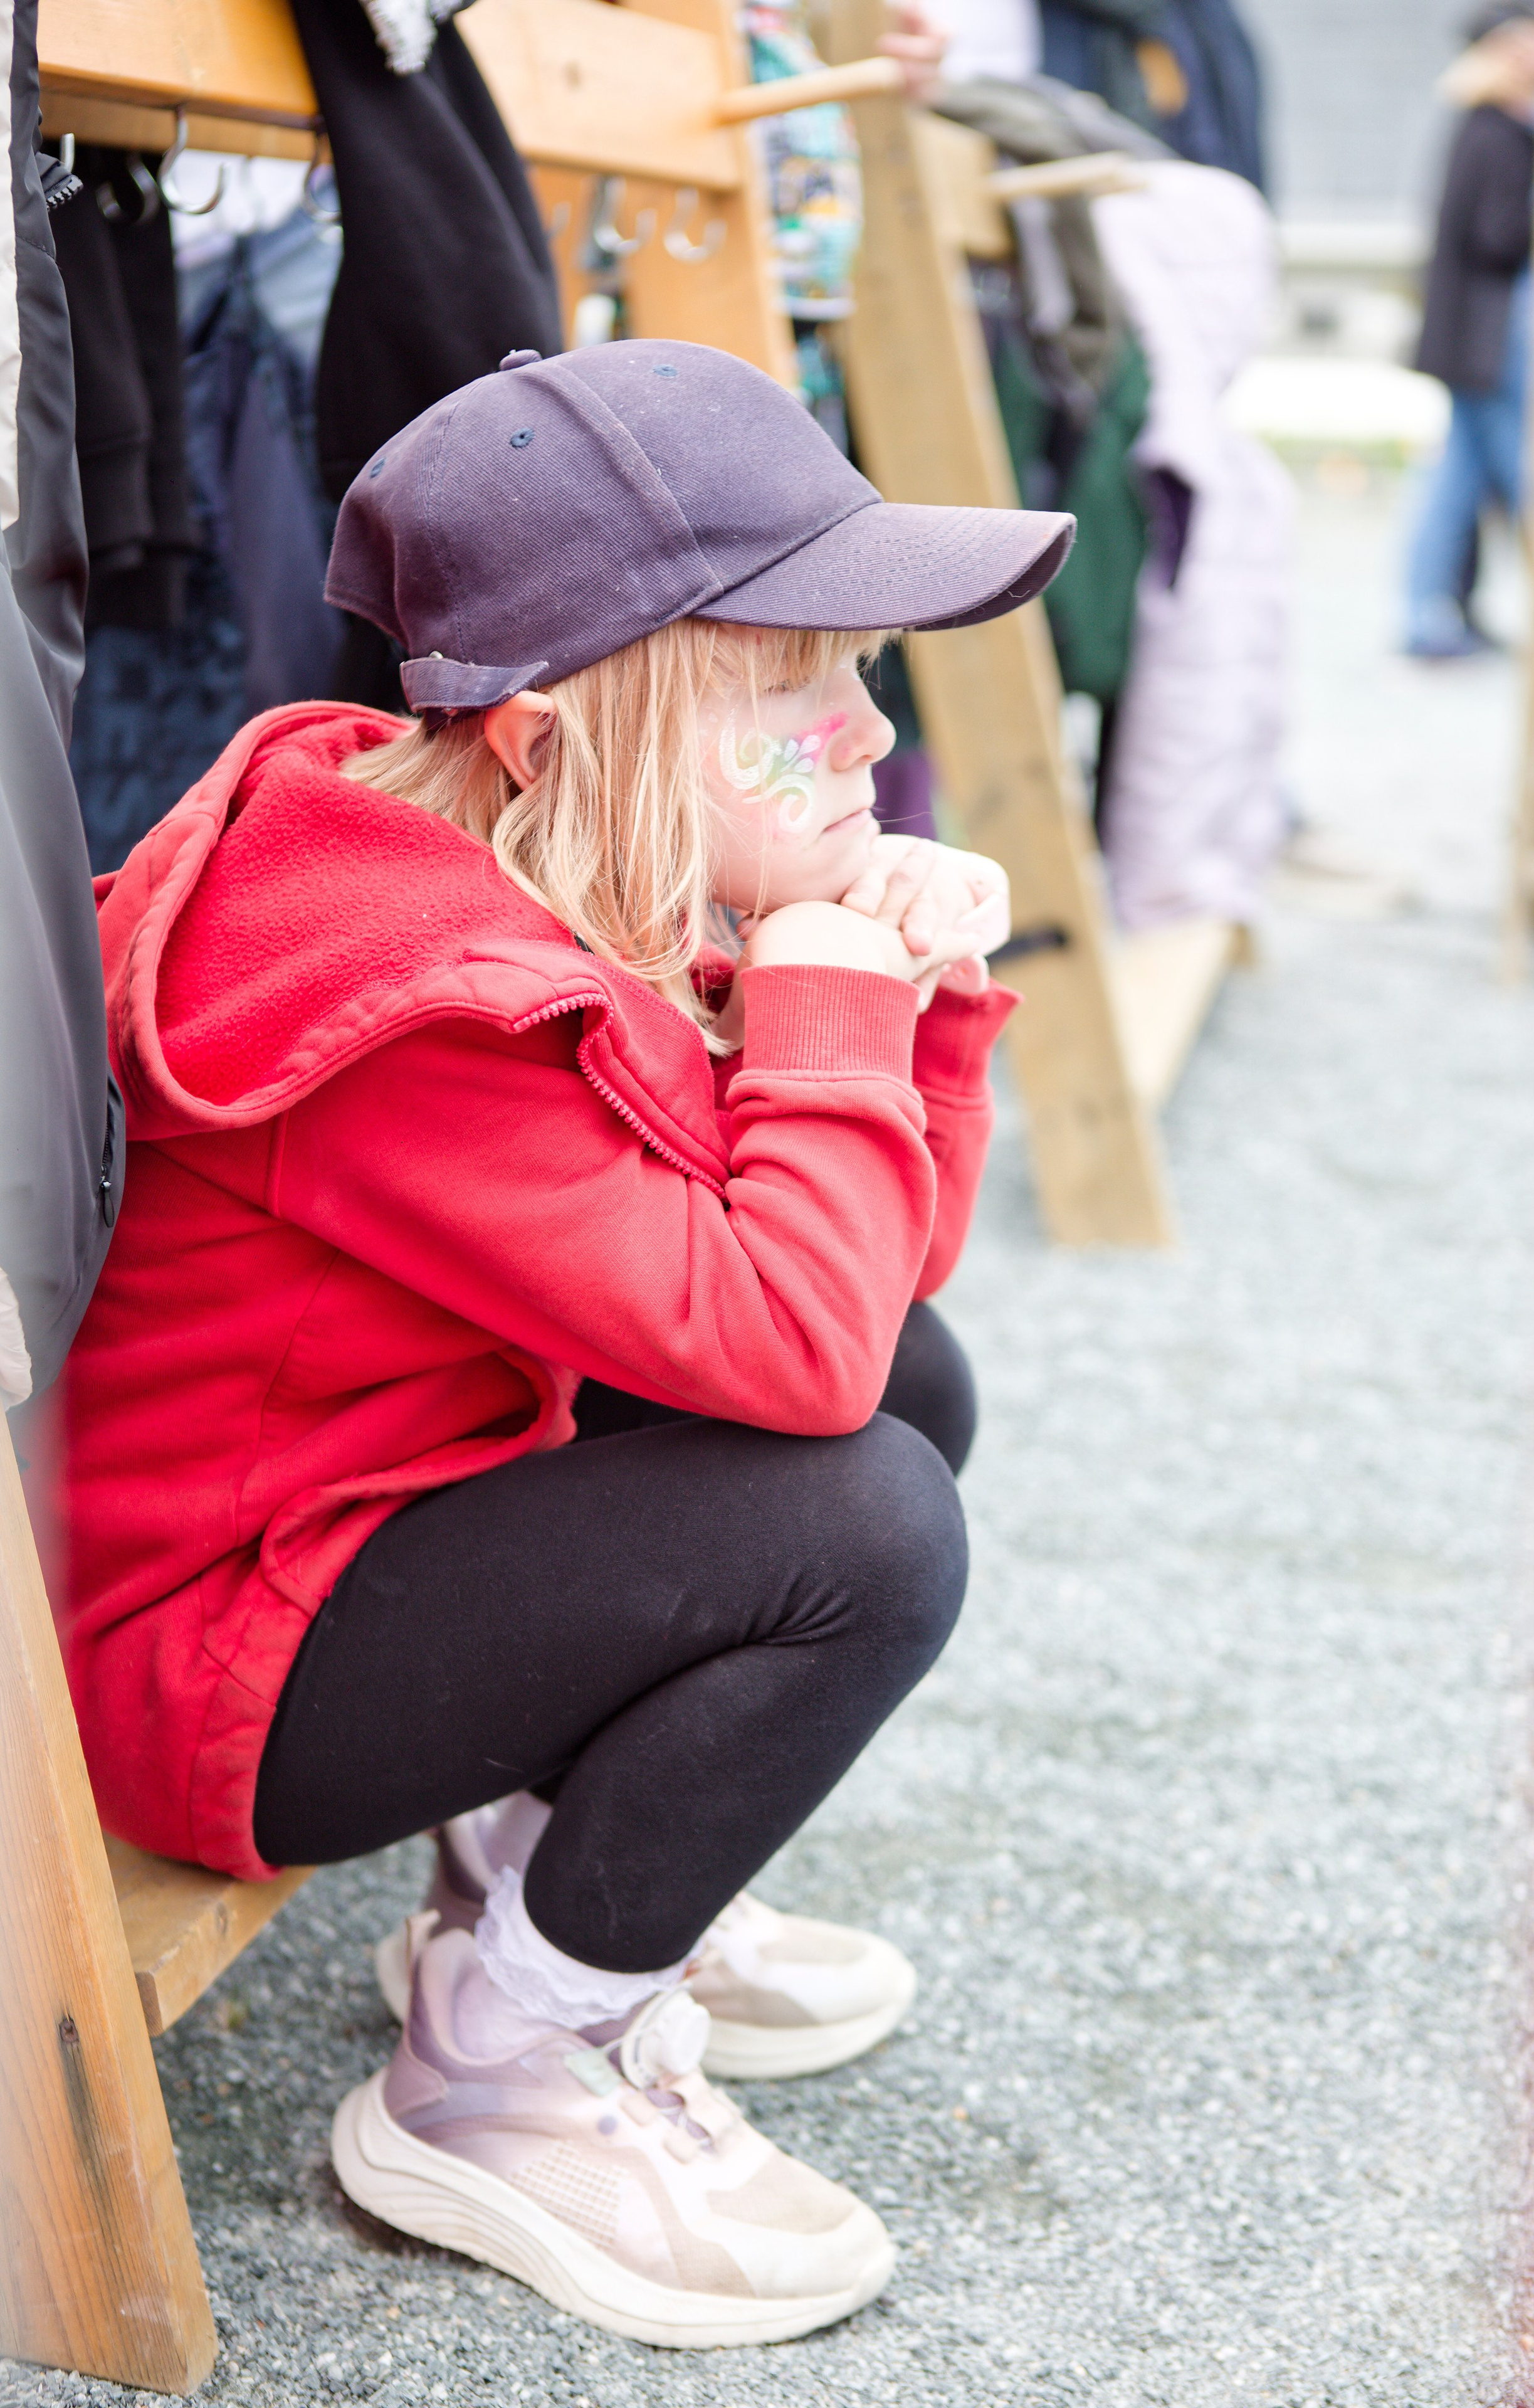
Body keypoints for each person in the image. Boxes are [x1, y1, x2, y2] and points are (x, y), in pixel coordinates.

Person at [57, 339, 1073, 2348]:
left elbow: (860, 1304)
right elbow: (795, 1360)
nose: (862, 732)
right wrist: (829, 1000)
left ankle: (535, 1882)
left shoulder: (543, 866)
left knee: (910, 1382)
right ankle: (501, 2060)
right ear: (563, 727)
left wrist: (910, 1004)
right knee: (863, 1515)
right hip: (199, 1655)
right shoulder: (415, 1005)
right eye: (796, 679)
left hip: (367, 1513)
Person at [1406, 0, 1534, 660]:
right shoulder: (1496, 128)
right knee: (1532, 477)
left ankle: (1428, 616)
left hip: (1477, 332)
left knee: (1457, 480)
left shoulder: (1489, 123)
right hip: (1491, 329)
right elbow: (1496, 235)